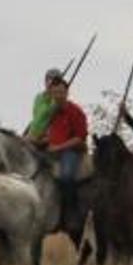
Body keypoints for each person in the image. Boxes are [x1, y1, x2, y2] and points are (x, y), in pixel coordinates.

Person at [42, 77, 88, 226]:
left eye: (61, 92)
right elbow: (44, 132)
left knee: (66, 176)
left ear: (67, 92)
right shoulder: (49, 112)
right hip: (51, 150)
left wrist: (58, 147)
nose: (58, 96)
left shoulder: (76, 111)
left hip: (71, 151)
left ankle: (71, 211)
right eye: (55, 93)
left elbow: (80, 138)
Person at [26, 67, 63, 141]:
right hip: (30, 136)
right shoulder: (38, 97)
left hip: (46, 139)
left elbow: (54, 120)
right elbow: (36, 118)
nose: (50, 83)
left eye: (55, 81)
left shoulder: (58, 100)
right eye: (48, 79)